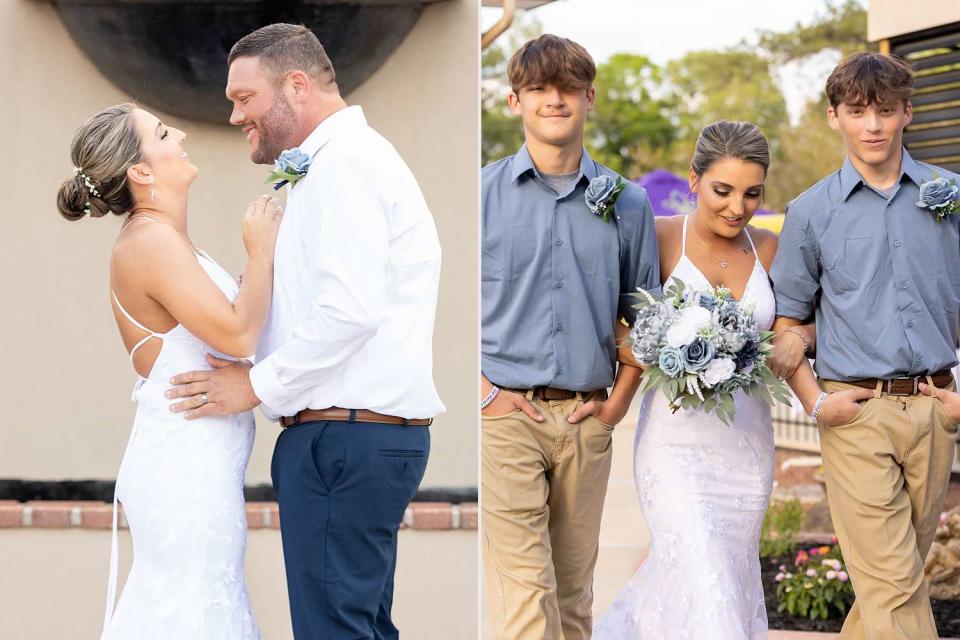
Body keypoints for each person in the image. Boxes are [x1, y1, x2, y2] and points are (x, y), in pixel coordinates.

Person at [165, 24, 445, 639]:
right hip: (356, 436)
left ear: (296, 84)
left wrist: (257, 385)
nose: (235, 114)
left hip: (342, 441)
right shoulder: (346, 160)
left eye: (244, 97)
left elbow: (349, 310)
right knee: (358, 629)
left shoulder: (343, 164)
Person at [57, 103, 281, 639]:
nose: (179, 132)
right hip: (185, 472)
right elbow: (237, 334)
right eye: (161, 132)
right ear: (140, 171)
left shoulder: (163, 237)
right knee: (192, 609)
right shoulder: (149, 242)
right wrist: (262, 254)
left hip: (200, 466)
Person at [771, 51, 960, 640]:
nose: (872, 125)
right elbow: (787, 326)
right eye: (857, 111)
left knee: (890, 581)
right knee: (896, 583)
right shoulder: (809, 213)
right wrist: (816, 403)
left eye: (884, 110)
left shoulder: (950, 196)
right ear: (835, 117)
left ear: (907, 112)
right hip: (857, 415)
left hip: (936, 408)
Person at [480, 34, 659, 640]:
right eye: (538, 89)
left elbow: (647, 321)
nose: (553, 100)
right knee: (527, 596)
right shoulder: (477, 196)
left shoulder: (627, 204)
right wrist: (484, 392)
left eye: (566, 88)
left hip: (587, 421)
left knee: (574, 595)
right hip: (507, 417)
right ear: (514, 100)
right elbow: (442, 307)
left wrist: (617, 404)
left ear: (589, 97)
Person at [594, 120, 780, 639]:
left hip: (747, 446)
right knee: (703, 572)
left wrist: (793, 341)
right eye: (722, 190)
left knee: (723, 579)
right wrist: (655, 355)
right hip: (673, 447)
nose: (736, 207)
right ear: (694, 180)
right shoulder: (657, 237)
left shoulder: (768, 248)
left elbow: (797, 327)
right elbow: (609, 319)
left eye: (751, 194)